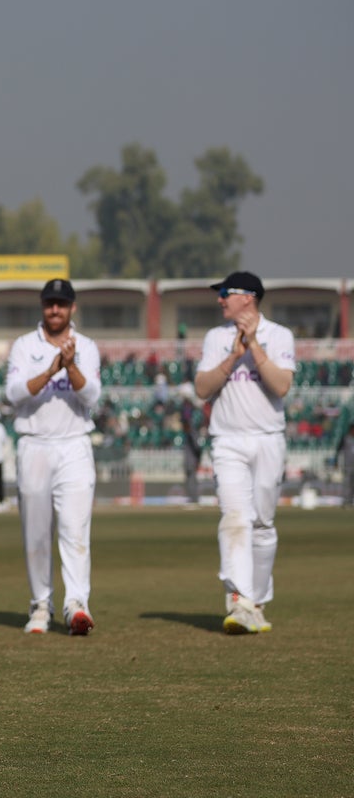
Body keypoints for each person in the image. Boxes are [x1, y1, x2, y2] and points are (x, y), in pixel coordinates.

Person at [194, 271, 295, 634]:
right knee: (235, 518)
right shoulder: (215, 337)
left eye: (225, 293)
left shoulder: (279, 335)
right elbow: (202, 388)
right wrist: (232, 357)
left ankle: (258, 602)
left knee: (263, 525)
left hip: (268, 438)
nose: (219, 299)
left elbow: (281, 386)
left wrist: (253, 346)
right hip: (227, 441)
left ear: (248, 297)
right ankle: (240, 601)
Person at [4, 278, 101, 635]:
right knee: (37, 532)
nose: (55, 310)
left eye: (61, 304)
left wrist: (71, 366)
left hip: (74, 444)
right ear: (43, 306)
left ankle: (76, 605)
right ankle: (40, 605)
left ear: (72, 307)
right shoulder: (24, 346)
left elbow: (92, 396)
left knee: (75, 530)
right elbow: (14, 393)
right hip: (34, 444)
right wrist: (51, 370)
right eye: (50, 303)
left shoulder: (86, 347)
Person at [337, 421, 354, 509]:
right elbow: (338, 450)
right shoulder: (345, 438)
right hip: (348, 466)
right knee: (347, 484)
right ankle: (346, 501)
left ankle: (351, 501)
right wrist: (336, 462)